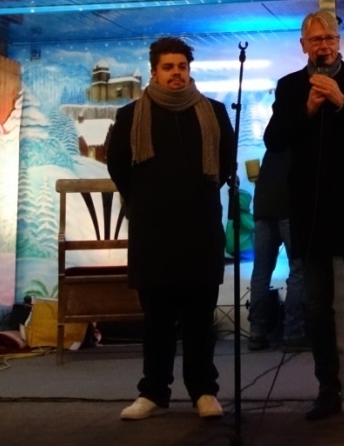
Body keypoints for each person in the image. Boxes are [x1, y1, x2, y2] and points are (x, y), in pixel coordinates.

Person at [264, 9, 344, 421]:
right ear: (303, 45)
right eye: (316, 39)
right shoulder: (290, 86)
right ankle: (328, 390)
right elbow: (273, 140)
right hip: (311, 208)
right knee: (318, 305)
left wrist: (341, 102)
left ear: (339, 42)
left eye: (330, 38)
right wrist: (306, 108)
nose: (324, 45)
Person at [106, 36, 235, 421]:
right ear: (154, 72)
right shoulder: (131, 115)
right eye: (168, 67)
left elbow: (225, 163)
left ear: (189, 70)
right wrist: (146, 199)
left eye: (182, 66)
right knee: (157, 321)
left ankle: (204, 391)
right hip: (153, 232)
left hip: (200, 229)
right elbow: (118, 166)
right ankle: (153, 392)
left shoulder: (214, 112)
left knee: (200, 320)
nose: (176, 73)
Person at [247, 148, 309, 353]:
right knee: (298, 269)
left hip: (263, 208)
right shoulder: (300, 145)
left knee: (261, 273)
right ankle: (293, 332)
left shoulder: (273, 143)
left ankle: (257, 333)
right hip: (289, 208)